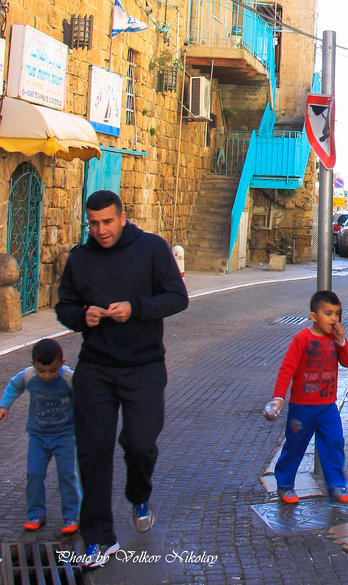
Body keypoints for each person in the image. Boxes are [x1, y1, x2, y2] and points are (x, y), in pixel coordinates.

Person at [56, 190, 188, 569]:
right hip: (95, 368)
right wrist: (83, 316)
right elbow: (64, 306)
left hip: (144, 366)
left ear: (123, 217)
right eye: (93, 223)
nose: (100, 230)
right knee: (93, 451)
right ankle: (98, 538)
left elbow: (177, 298)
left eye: (107, 222)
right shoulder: (80, 259)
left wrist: (136, 308)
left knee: (140, 444)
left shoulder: (152, 249)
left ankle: (139, 492)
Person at [265, 289, 348, 505]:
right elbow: (287, 369)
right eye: (328, 313)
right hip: (302, 407)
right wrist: (278, 397)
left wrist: (342, 341)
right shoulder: (301, 339)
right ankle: (285, 484)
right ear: (314, 316)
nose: (334, 318)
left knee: (334, 442)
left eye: (337, 313)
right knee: (295, 445)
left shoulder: (334, 339)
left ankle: (336, 484)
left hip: (327, 407)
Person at [0, 338, 79, 535]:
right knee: (34, 474)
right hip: (38, 437)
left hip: (64, 436)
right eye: (41, 371)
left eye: (52, 371)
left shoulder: (69, 378)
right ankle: (35, 512)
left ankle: (71, 515)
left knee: (67, 475)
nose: (46, 376)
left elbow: (86, 393)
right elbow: (13, 386)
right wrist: (4, 405)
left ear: (62, 363)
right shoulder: (28, 376)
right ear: (33, 364)